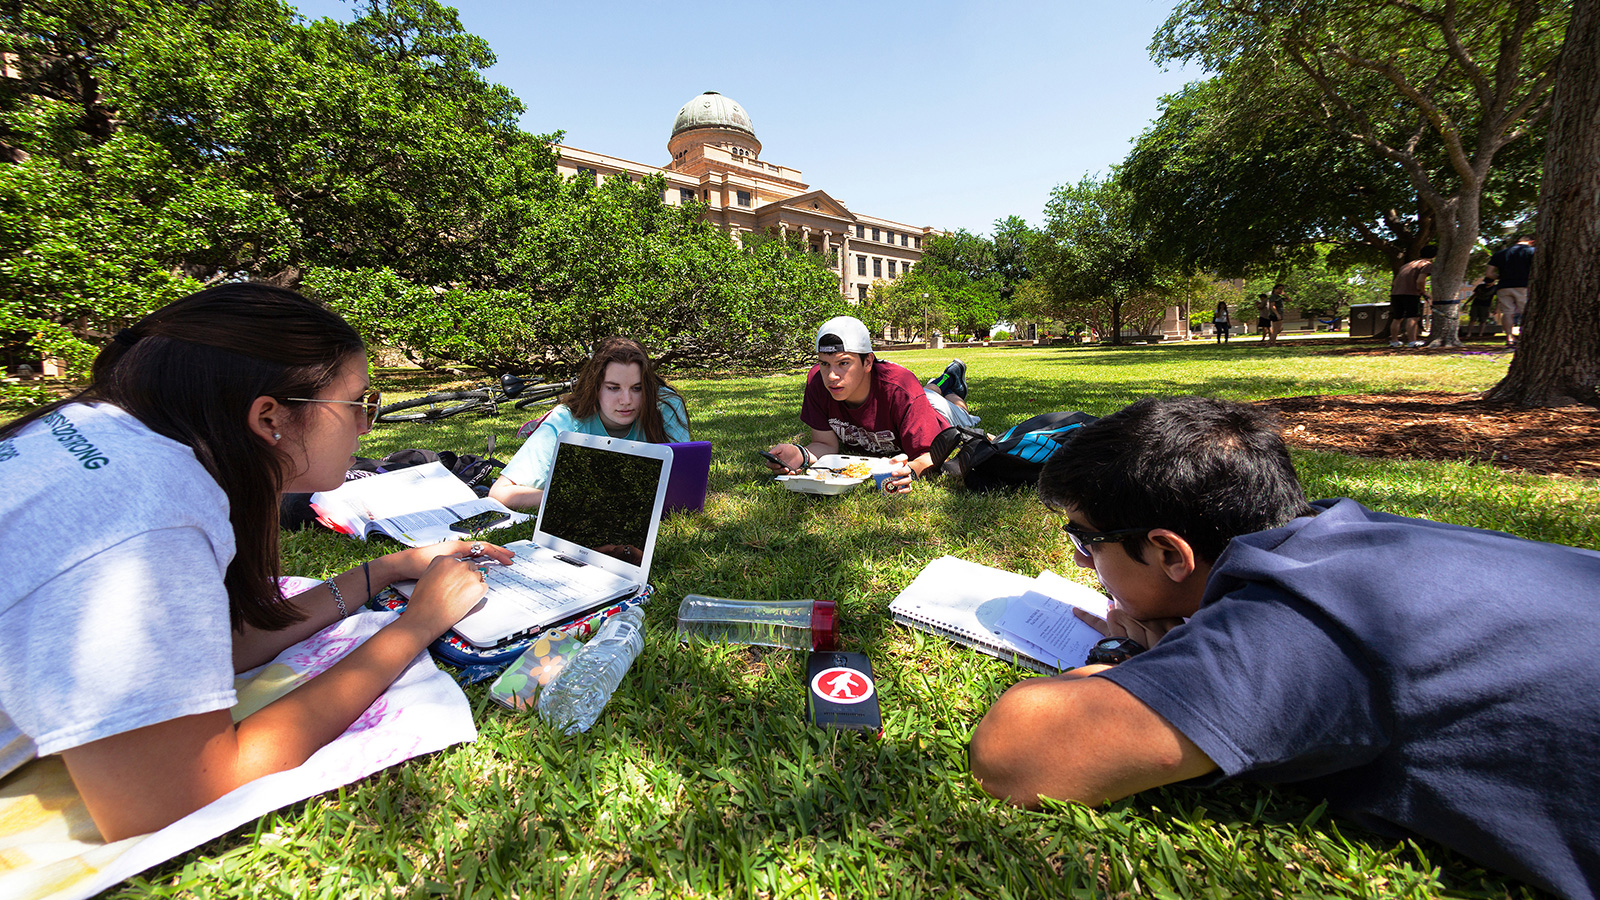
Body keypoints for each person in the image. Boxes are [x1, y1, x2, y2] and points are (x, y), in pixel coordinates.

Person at [968, 396, 1600, 900]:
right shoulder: (1351, 534)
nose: (1079, 557)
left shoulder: (1296, 623)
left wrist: (1125, 658)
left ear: (1169, 552)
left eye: (1085, 540)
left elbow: (1015, 756)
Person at [0, 284, 510, 841]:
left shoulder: (109, 435)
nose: (367, 427)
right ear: (271, 418)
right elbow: (172, 793)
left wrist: (384, 570)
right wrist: (418, 625)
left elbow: (213, 649)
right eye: (358, 404)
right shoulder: (151, 510)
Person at [762, 315, 974, 494]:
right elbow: (825, 444)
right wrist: (800, 453)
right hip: (918, 396)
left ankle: (951, 383)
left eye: (843, 363)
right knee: (929, 391)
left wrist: (911, 470)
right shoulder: (818, 382)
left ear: (868, 362)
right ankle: (938, 383)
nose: (832, 376)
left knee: (950, 405)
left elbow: (928, 455)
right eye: (824, 363)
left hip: (937, 412)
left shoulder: (901, 389)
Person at [488, 337, 691, 511]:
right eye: (613, 388)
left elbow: (684, 482)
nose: (626, 400)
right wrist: (573, 499)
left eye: (637, 388)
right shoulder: (564, 422)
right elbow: (500, 492)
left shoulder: (664, 406)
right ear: (595, 387)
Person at [1486, 234, 1536, 348]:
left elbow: (1489, 274)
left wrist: (1501, 277)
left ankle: (1509, 338)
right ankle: (1526, 337)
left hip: (1504, 286)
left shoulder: (1499, 254)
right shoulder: (1533, 252)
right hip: (1523, 285)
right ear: (1531, 242)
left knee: (1507, 312)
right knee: (1526, 312)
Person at [1387, 247, 1435, 348]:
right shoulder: (1426, 265)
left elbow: (1395, 282)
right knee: (1412, 316)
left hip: (1396, 293)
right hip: (1411, 294)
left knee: (1397, 318)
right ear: (1434, 255)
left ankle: (1394, 341)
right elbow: (1420, 281)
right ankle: (1412, 341)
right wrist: (1423, 292)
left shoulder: (1407, 265)